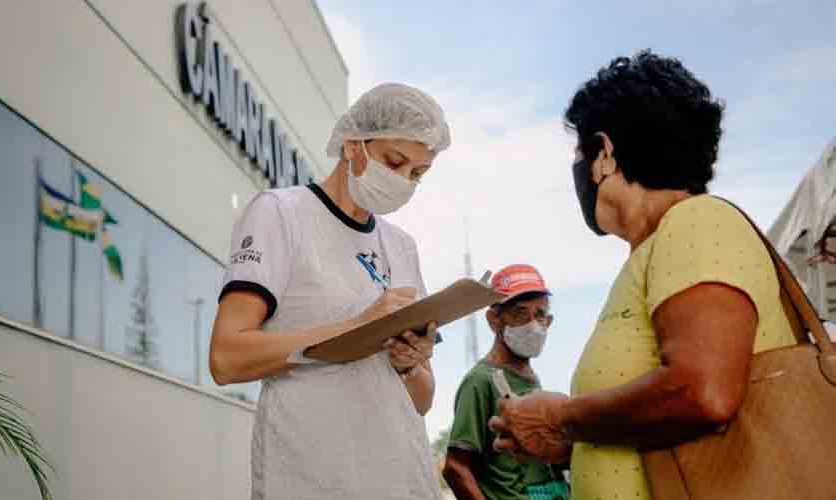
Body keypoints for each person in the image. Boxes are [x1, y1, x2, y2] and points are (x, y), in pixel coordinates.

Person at [488, 50, 797, 500]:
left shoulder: (697, 222)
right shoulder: (651, 254)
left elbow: (704, 392)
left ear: (604, 155)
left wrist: (563, 418)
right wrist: (567, 443)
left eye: (581, 152)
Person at [209, 83, 451, 500]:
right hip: (310, 476)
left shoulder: (401, 247)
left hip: (400, 479)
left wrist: (410, 365)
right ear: (354, 144)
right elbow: (226, 358)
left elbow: (422, 400)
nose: (404, 182)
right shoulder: (281, 214)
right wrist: (356, 328)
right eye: (395, 162)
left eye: (417, 174)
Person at [443, 264, 570, 500]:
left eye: (540, 314)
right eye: (520, 313)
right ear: (494, 320)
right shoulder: (481, 381)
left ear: (549, 321)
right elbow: (455, 468)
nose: (533, 325)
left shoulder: (532, 381)